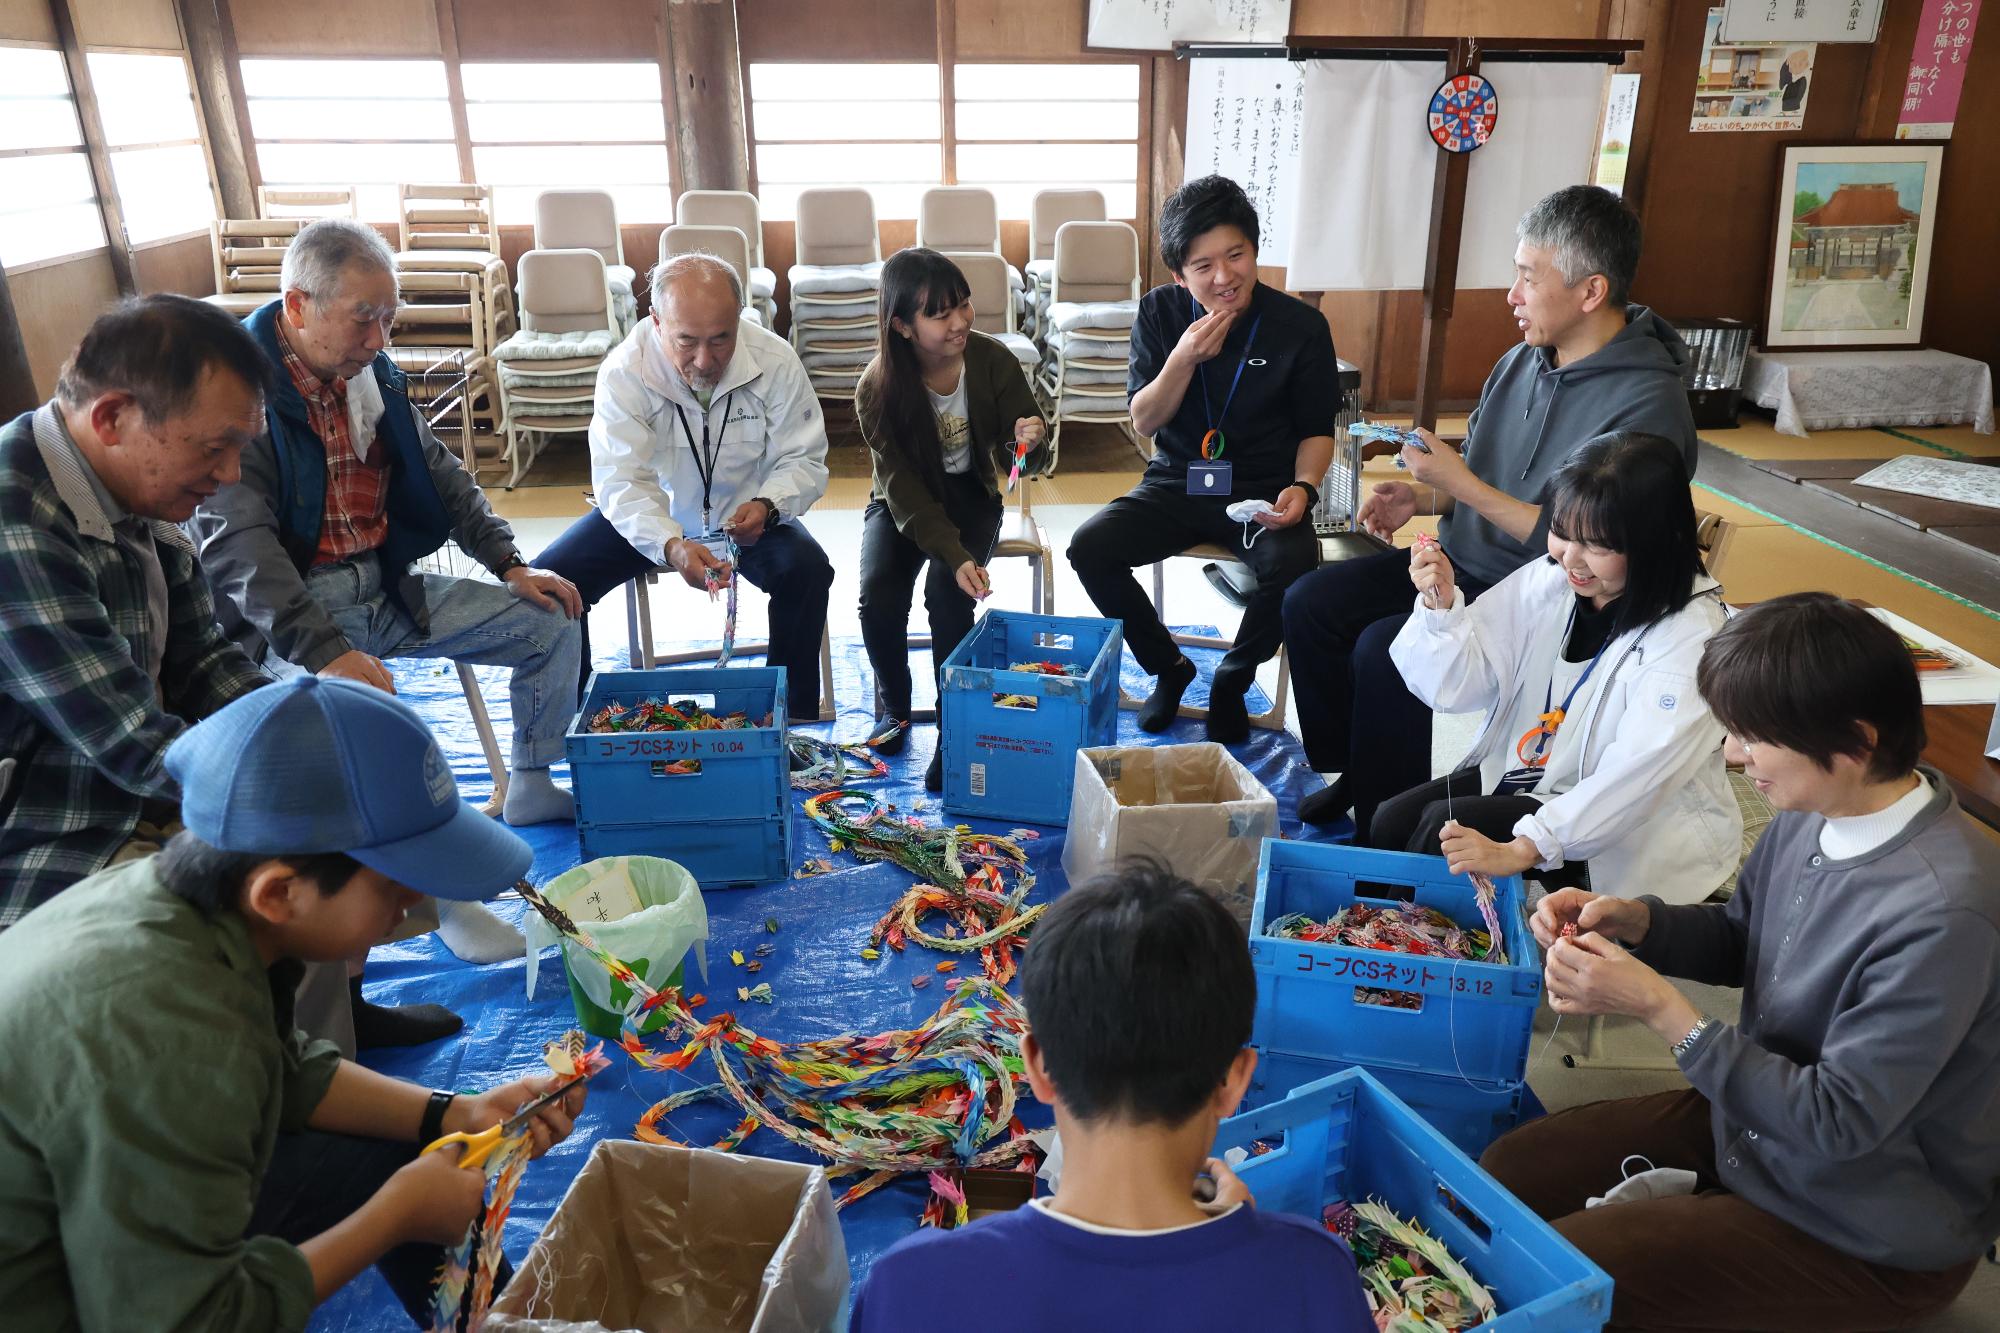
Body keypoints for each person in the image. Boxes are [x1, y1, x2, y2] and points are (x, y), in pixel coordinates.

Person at [0, 674, 590, 1331]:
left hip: (93, 1190)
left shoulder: (185, 901)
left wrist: (455, 1111)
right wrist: (395, 1215)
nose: (413, 905)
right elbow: (190, 1319)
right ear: (279, 892)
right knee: (400, 1183)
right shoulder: (165, 1037)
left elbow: (286, 1064)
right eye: (396, 885)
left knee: (404, 1146)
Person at [1481, 593, 2000, 1330]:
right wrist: (1640, 922)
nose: (1733, 755)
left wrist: (1662, 1009)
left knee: (1564, 1281)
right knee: (1510, 1173)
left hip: (1865, 1224)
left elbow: (1839, 1121)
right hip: (1759, 1127)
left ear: (1854, 740)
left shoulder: (1947, 911)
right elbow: (1745, 935)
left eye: (1754, 737)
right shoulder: (1815, 810)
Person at [192, 218, 577, 987]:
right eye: (364, 316)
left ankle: (531, 780)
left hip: (388, 583)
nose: (380, 334)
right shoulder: (240, 388)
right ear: (297, 306)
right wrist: (327, 650)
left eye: (389, 315)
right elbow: (242, 550)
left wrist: (508, 560)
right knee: (379, 739)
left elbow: (439, 472)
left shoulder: (373, 369)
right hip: (293, 613)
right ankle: (447, 905)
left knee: (550, 623)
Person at [1282, 185, 1698, 836]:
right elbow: (1479, 474)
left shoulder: (1647, 407)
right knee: (1309, 602)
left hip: (1550, 591)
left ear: (1590, 292)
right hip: (1463, 559)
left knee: (1379, 651)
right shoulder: (1520, 360)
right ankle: (1359, 776)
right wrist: (1419, 496)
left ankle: (1380, 845)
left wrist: (1461, 485)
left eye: (1528, 277)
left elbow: (1585, 546)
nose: (1512, 294)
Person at [851, 859, 1374, 1331]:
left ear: (1037, 1066)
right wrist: (1261, 1252)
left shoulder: (911, 1287)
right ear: (1234, 1081)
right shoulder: (1315, 1278)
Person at [0, 295, 273, 927]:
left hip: (133, 783)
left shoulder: (128, 489)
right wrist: (291, 780)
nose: (230, 473)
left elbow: (201, 658)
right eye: (214, 448)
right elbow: (130, 740)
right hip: (49, 826)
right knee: (283, 879)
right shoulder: (18, 521)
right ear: (114, 417)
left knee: (334, 829)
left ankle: (344, 1017)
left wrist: (303, 724)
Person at [1378, 432, 1738, 905]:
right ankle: (1374, 936)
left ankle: (1418, 958)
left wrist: (1530, 845)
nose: (1570, 557)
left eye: (1597, 545)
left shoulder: (1691, 639)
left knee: (1439, 832)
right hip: (1539, 774)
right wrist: (1441, 610)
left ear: (1652, 542)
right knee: (1392, 818)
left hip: (1628, 824)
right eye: (1562, 532)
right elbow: (1456, 687)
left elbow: (1636, 781)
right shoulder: (1554, 580)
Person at [1066, 175, 1336, 744]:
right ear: (1178, 274)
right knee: (1090, 547)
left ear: (1255, 250)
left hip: (1263, 491)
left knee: (1295, 568)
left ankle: (1232, 682)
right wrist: (1183, 358)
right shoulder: (1161, 313)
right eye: (1202, 266)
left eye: (1236, 255)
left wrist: (1305, 489)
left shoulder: (1301, 327)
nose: (1223, 277)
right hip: (1175, 482)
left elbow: (1316, 430)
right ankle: (1170, 667)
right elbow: (1144, 419)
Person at [535, 252, 833, 720]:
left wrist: (770, 505)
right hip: (653, 518)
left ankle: (787, 719)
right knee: (551, 583)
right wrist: (670, 544)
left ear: (739, 319)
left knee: (808, 570)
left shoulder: (775, 360)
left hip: (747, 515)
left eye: (721, 340)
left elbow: (805, 458)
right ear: (656, 321)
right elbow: (621, 481)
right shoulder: (624, 371)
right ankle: (580, 724)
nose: (704, 359)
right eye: (686, 341)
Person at [854, 248, 1047, 791]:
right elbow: (902, 489)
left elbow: (1024, 454)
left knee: (948, 596)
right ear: (902, 326)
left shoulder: (991, 361)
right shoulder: (878, 387)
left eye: (963, 305)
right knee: (878, 595)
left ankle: (952, 726)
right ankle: (894, 707)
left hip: (971, 495)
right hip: (902, 500)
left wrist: (1028, 441)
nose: (960, 321)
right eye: (940, 314)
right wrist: (953, 551)